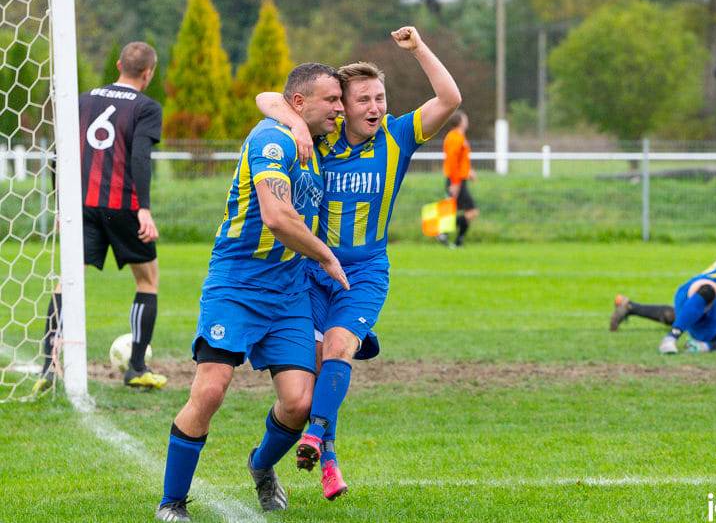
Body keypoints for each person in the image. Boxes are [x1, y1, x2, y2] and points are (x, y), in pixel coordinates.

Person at [256, 26, 461, 500]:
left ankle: (316, 440)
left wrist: (418, 49)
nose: (375, 107)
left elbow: (449, 97)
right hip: (307, 272)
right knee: (304, 390)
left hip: (365, 271)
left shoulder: (397, 136)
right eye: (364, 99)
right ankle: (302, 458)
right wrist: (293, 121)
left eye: (381, 98)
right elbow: (268, 97)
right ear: (340, 106)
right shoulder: (315, 138)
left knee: (340, 349)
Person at [155, 63, 348, 522]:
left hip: (288, 291)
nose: (340, 110)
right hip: (237, 283)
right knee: (211, 390)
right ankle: (172, 502)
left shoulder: (319, 143)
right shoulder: (273, 140)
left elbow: (270, 95)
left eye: (343, 101)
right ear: (299, 104)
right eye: (332, 101)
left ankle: (260, 467)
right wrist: (325, 255)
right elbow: (278, 218)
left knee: (301, 402)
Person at [33, 42, 164, 394]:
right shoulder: (146, 107)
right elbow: (139, 158)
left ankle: (49, 366)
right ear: (148, 73)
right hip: (122, 206)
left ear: (119, 64)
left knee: (68, 280)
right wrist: (144, 209)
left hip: (82, 206)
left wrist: (61, 206)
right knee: (147, 279)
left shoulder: (82, 100)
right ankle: (136, 367)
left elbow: (57, 152)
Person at [438, 110, 478, 247]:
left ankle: (456, 241)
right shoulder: (454, 138)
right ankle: (443, 231)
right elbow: (453, 162)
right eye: (465, 118)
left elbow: (462, 160)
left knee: (467, 211)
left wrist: (469, 171)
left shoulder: (460, 137)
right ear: (460, 121)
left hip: (460, 179)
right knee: (472, 211)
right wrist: (455, 183)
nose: (467, 121)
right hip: (456, 180)